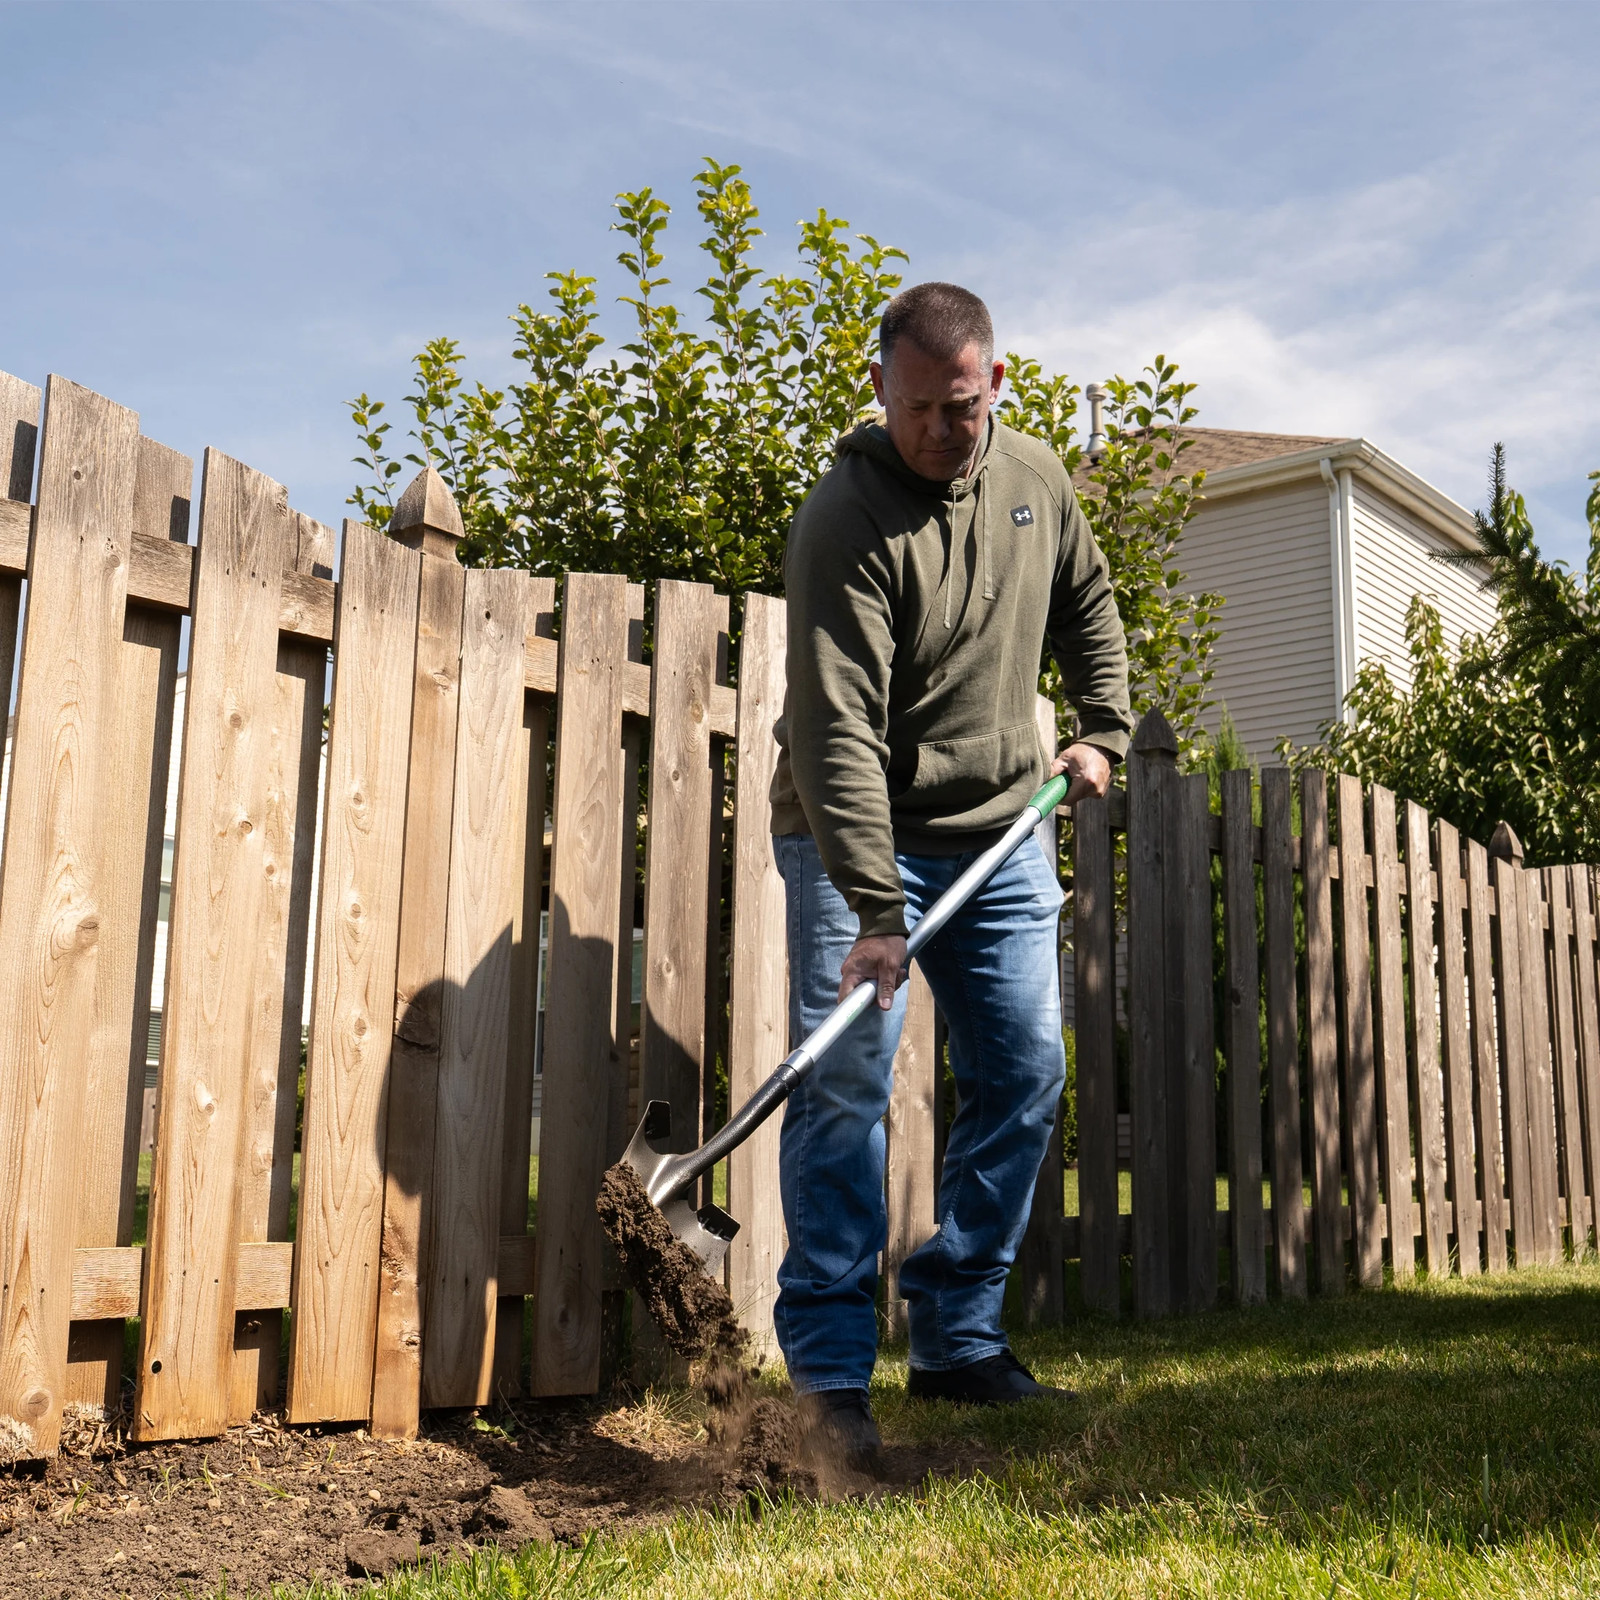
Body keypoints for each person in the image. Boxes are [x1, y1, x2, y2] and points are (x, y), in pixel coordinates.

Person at [769, 281, 1133, 1471]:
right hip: (851, 832)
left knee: (1026, 1068)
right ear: (880, 388)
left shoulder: (1035, 481)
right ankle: (828, 1372)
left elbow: (1087, 597)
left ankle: (958, 1332)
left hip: (996, 832)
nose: (939, 430)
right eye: (918, 406)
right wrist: (876, 909)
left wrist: (1105, 725)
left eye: (962, 408)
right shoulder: (845, 518)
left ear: (996, 387)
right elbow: (833, 734)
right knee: (845, 1090)